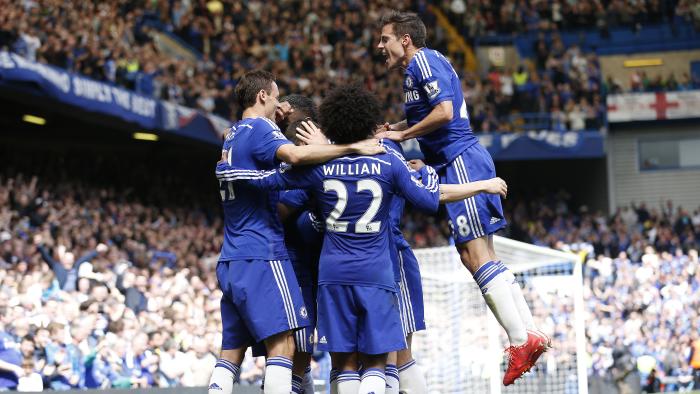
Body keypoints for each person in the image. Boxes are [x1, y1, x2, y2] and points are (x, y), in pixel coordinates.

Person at [216, 83, 508, 394]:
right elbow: (429, 199)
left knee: (343, 366)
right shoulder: (388, 160)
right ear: (370, 122)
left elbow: (275, 180)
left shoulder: (321, 167)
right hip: (377, 271)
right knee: (381, 364)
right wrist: (447, 178)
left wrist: (232, 168)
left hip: (333, 274)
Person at [375, 10, 549, 386]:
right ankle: (530, 333)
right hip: (456, 161)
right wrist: (397, 128)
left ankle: (521, 339)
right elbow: (432, 114)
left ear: (404, 39)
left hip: (461, 161)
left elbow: (445, 112)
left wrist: (403, 138)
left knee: (475, 254)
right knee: (480, 255)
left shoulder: (424, 60)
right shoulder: (418, 68)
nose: (379, 46)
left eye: (384, 39)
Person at [208, 70, 384, 394]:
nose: (279, 106)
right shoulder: (262, 131)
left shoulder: (233, 134)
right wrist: (352, 147)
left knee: (231, 354)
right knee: (285, 348)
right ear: (262, 96)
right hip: (265, 254)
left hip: (231, 255)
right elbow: (294, 156)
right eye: (275, 97)